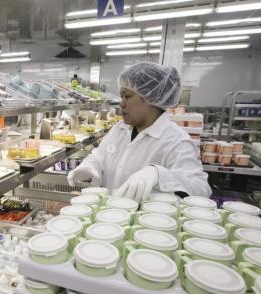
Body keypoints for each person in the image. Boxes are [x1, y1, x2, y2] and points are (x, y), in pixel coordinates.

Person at [68, 62, 211, 203]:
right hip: (109, 217)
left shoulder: (176, 141)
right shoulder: (120, 129)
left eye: (128, 96)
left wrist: (158, 174)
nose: (121, 103)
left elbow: (201, 190)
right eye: (121, 96)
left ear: (151, 98)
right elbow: (99, 156)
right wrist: (90, 165)